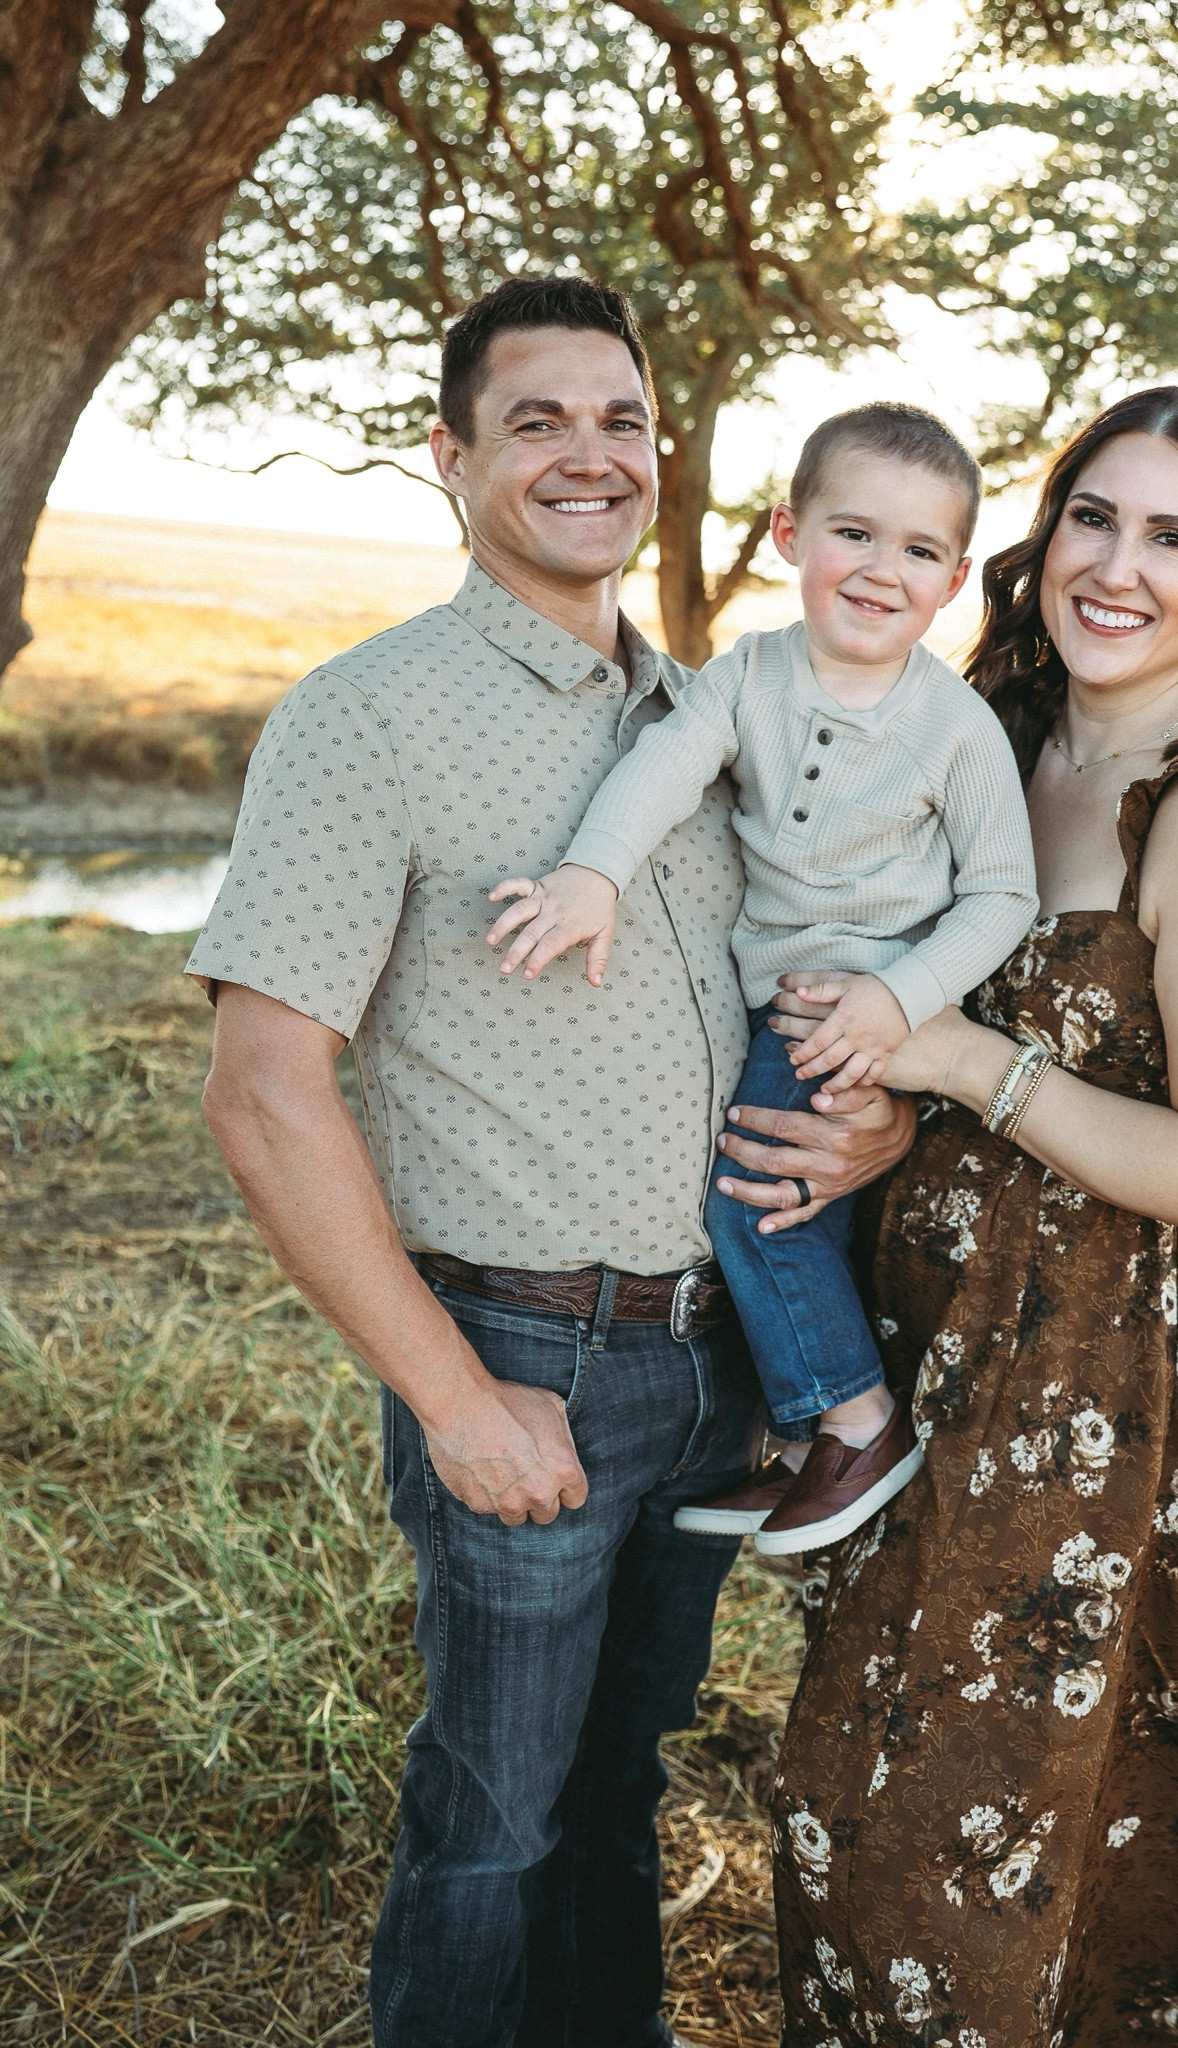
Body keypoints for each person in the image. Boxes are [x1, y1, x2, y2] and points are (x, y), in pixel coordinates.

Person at [185, 274, 915, 2048]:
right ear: (449, 458)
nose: (592, 456)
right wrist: (454, 1401)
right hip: (524, 1359)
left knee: (615, 1782)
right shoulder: (370, 716)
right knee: (494, 1817)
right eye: (537, 422)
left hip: (721, 1357)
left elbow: (806, 984)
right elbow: (264, 1092)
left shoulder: (716, 719)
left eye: (622, 421)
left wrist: (875, 1115)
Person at [764, 386, 1178, 2044]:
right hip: (905, 1352)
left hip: (1079, 1398)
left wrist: (969, 1063)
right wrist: (878, 1117)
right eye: (1093, 518)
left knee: (954, 1861)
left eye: (1173, 537)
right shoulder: (987, 735)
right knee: (840, 1793)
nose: (1117, 566)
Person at [484, 403, 1037, 1555]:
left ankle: (856, 1423)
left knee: (757, 1200)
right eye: (854, 533)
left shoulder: (956, 728)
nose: (880, 570)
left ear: (952, 580)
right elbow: (662, 764)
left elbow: (1001, 895)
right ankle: (794, 1446)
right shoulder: (750, 675)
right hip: (775, 994)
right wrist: (593, 873)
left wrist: (898, 999)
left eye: (918, 550)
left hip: (860, 1005)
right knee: (795, 1212)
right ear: (790, 533)